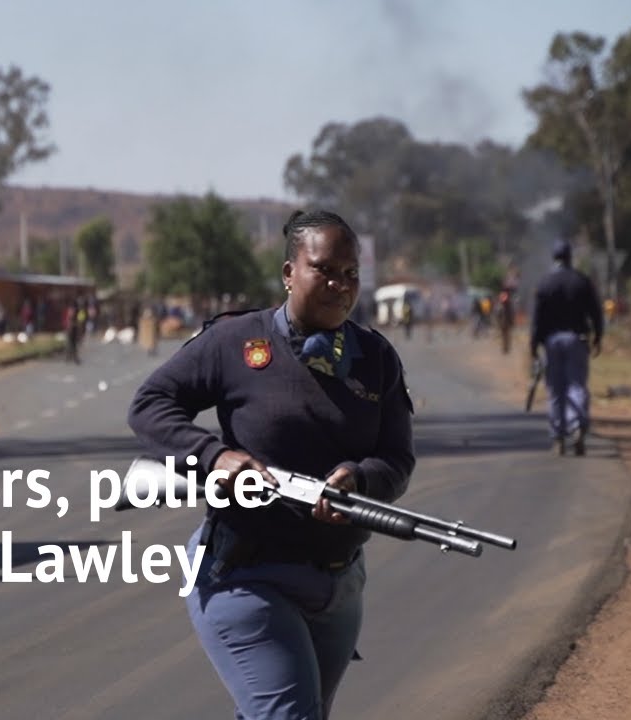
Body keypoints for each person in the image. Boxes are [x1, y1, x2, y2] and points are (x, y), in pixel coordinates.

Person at [127, 209, 415, 719]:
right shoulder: (234, 342)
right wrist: (216, 457)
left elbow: (396, 459)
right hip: (243, 574)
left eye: (350, 274)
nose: (339, 285)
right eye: (323, 269)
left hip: (339, 584)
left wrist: (361, 479)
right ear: (288, 273)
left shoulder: (375, 357)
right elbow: (150, 405)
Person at [529, 239, 604, 456]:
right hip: (577, 340)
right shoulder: (582, 281)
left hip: (551, 343)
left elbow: (537, 319)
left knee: (555, 390)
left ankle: (558, 436)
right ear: (570, 257)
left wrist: (534, 345)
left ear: (554, 257)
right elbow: (596, 313)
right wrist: (598, 337)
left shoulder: (545, 283)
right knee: (576, 386)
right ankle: (577, 426)